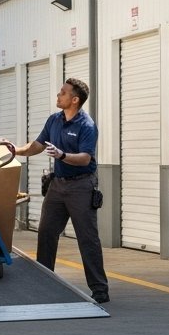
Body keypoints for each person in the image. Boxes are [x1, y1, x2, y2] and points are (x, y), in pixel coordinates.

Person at [12, 78, 109, 304]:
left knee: (87, 238)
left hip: (81, 186)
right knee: (46, 232)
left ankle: (100, 289)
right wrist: (16, 150)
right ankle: (43, 282)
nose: (58, 95)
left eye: (63, 93)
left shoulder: (86, 125)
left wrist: (62, 155)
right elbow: (37, 145)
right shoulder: (54, 120)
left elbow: (85, 158)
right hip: (57, 185)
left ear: (74, 100)